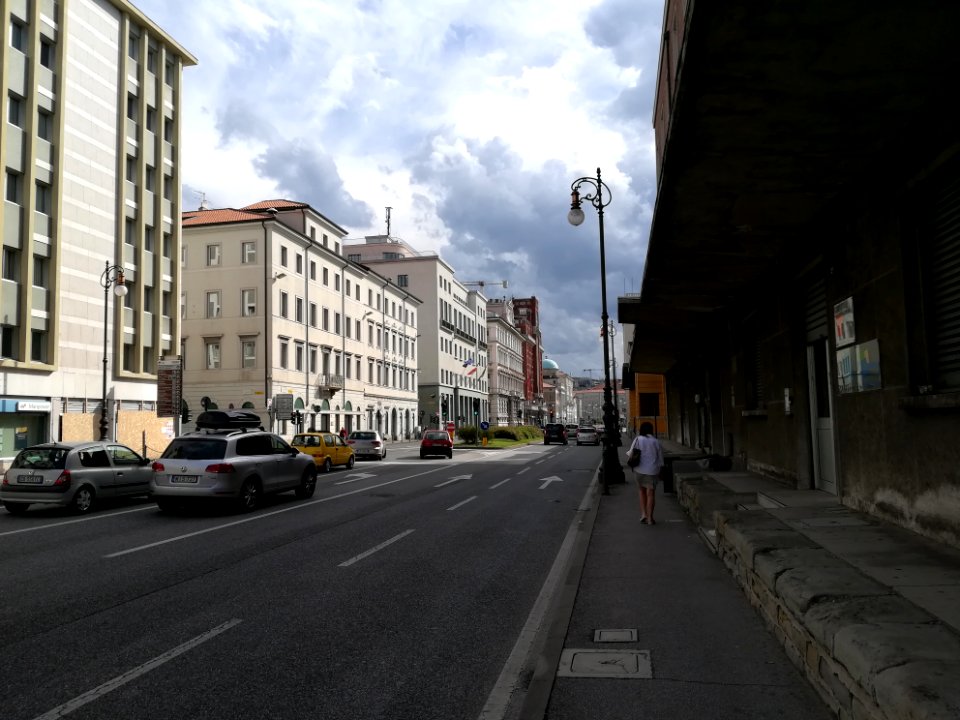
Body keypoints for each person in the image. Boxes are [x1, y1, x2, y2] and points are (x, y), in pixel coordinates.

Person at [626, 421, 664, 525]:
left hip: (639, 470)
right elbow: (660, 459)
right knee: (650, 494)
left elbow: (630, 453)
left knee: (641, 492)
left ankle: (643, 514)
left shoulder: (638, 439)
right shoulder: (656, 441)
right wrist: (660, 471)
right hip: (652, 471)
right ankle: (650, 518)